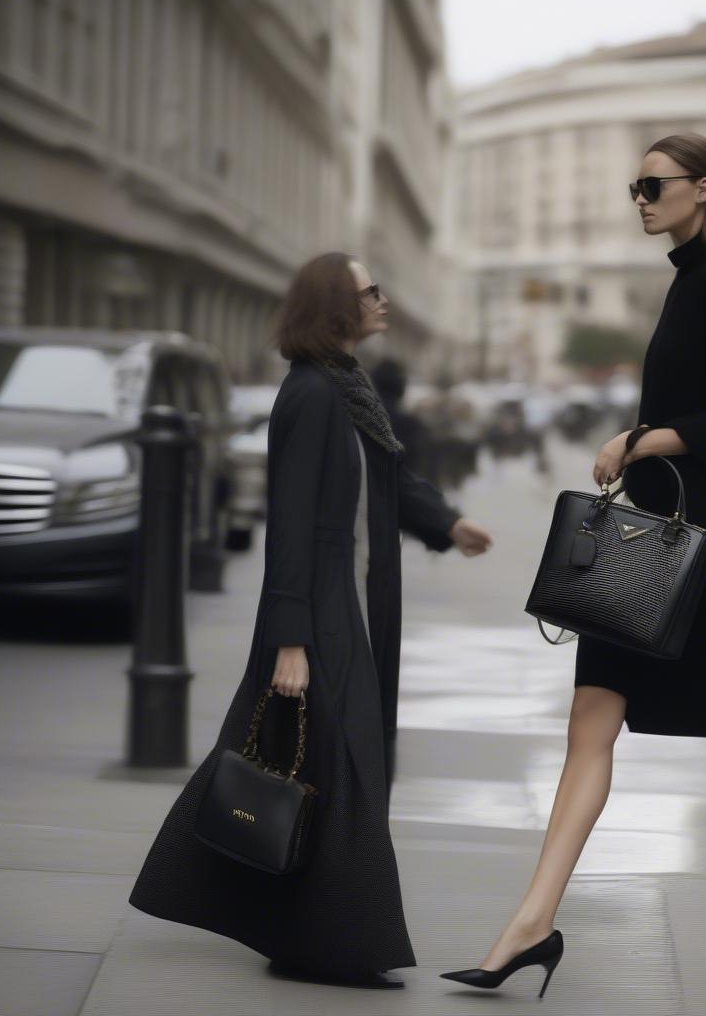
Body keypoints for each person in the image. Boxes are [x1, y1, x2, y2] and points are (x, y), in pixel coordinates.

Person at [441, 133, 706, 996]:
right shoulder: (687, 281)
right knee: (594, 723)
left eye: (653, 185)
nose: (640, 199)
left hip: (682, 544)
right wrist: (640, 438)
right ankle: (533, 922)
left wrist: (636, 439)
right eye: (634, 187)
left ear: (702, 188)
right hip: (645, 540)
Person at [128, 251, 493, 988]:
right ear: (337, 307)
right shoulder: (310, 395)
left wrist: (445, 523)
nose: (383, 302)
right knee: (347, 761)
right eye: (370, 292)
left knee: (326, 762)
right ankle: (340, 943)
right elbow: (288, 524)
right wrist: (289, 641)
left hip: (354, 601)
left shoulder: (349, 388)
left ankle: (299, 930)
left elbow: (390, 474)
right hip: (318, 609)